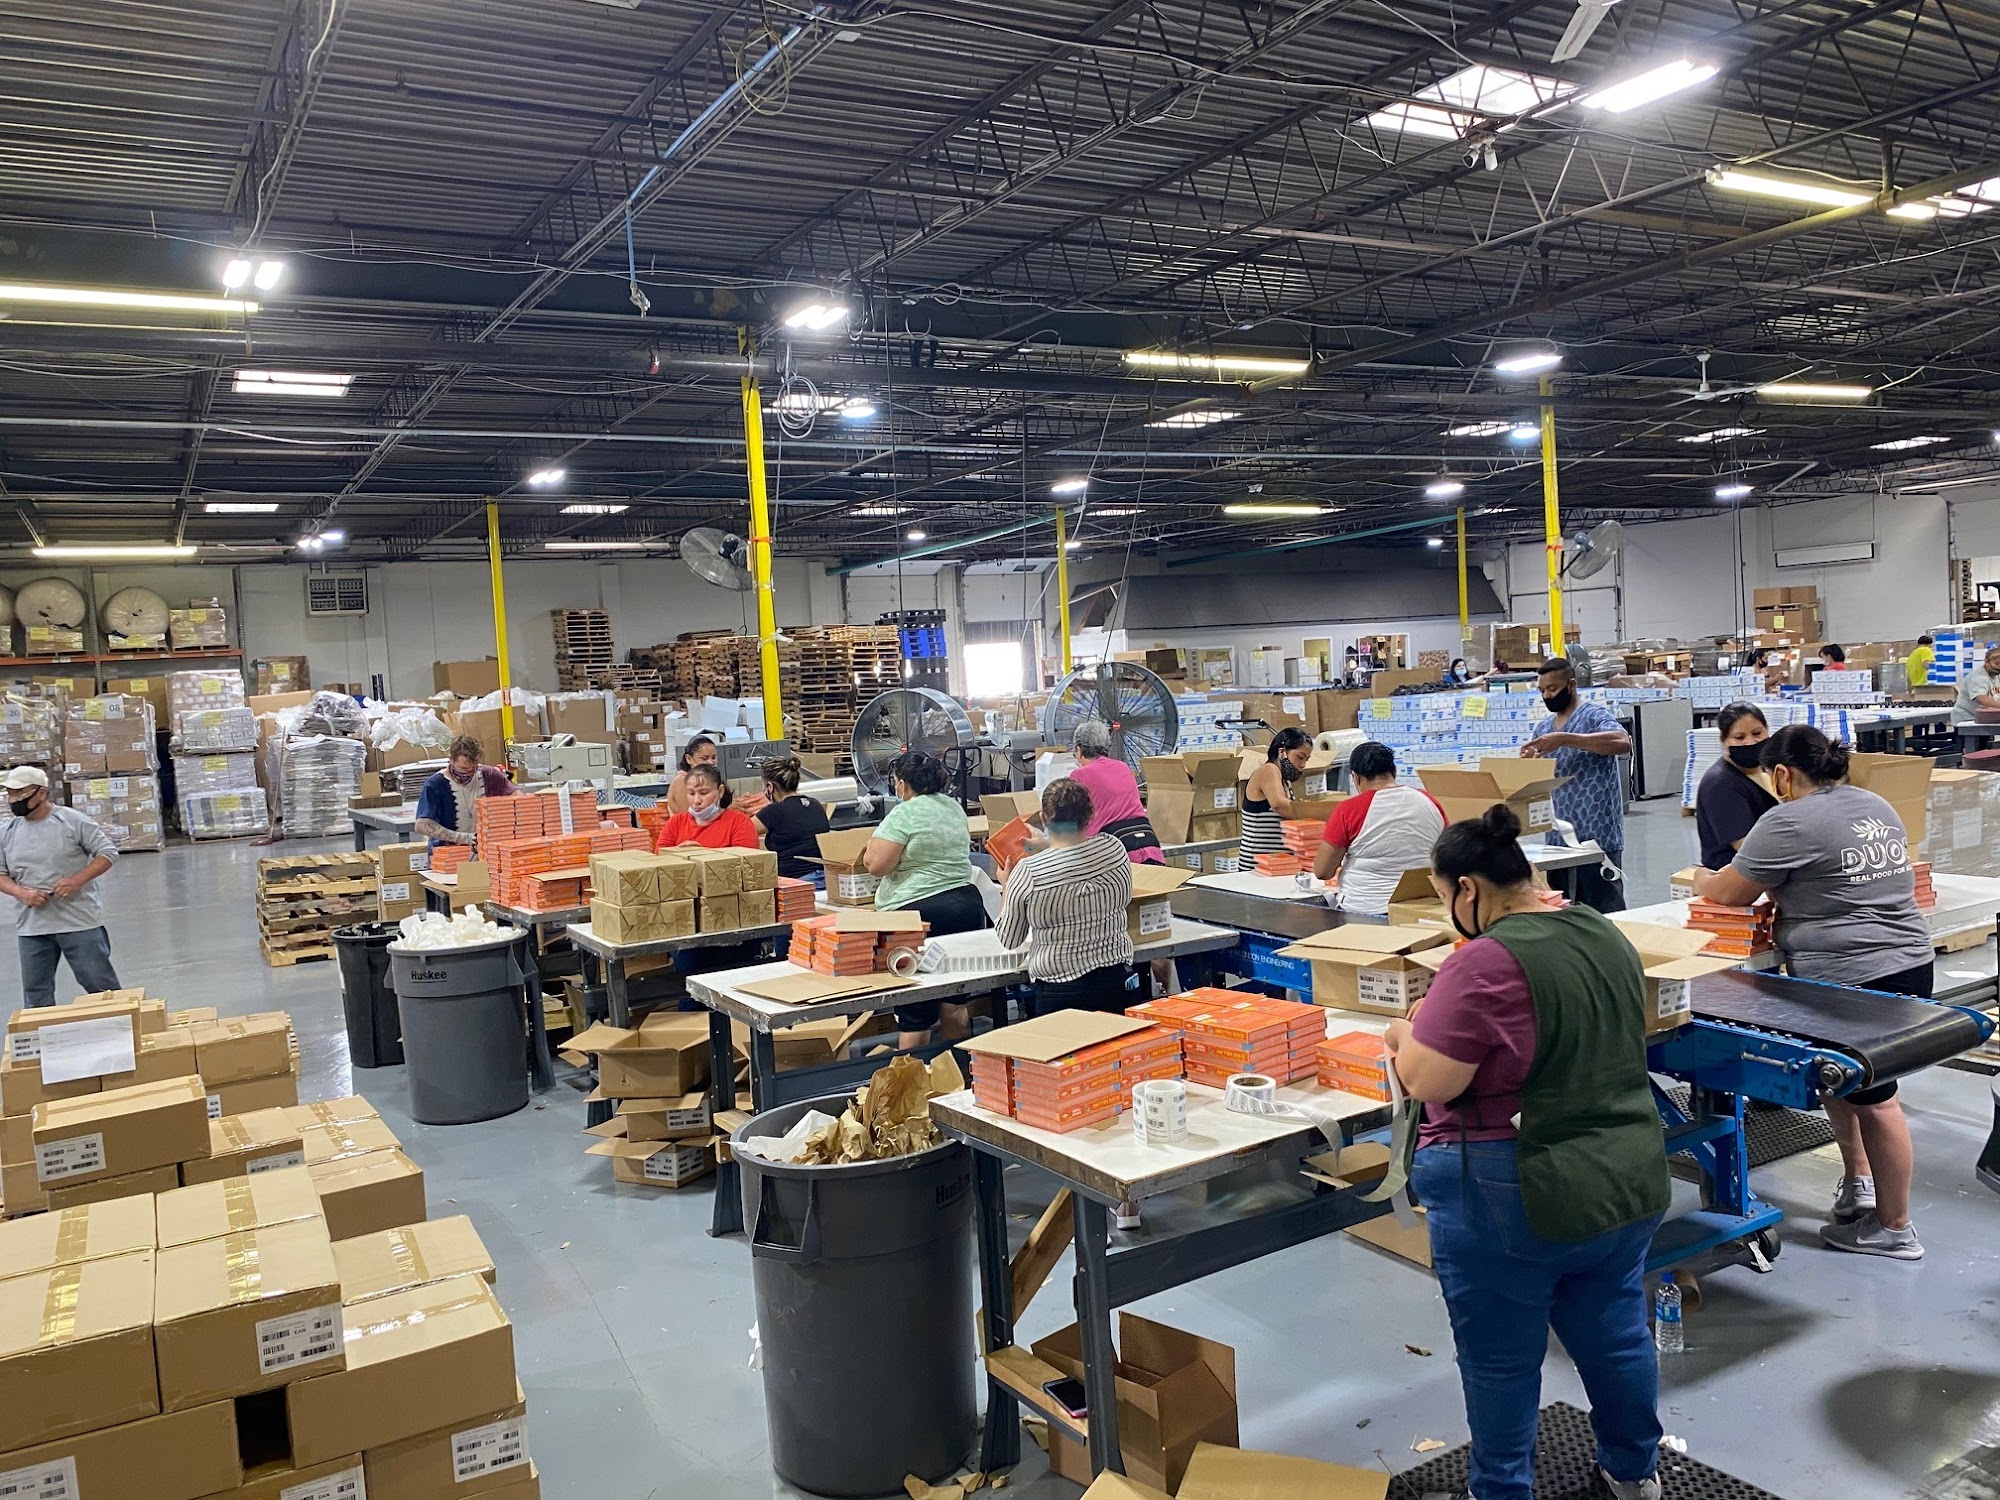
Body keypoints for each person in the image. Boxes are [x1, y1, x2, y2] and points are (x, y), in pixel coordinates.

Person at [1386, 804, 1668, 1500]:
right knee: (1617, 1336)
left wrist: (1402, 1035)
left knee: (1500, 1361)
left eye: (1442, 895)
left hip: (1513, 1189)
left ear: (1467, 889)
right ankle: (1634, 1472)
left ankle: (1501, 1490)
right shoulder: (1599, 929)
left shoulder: (1483, 962)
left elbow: (1428, 1080)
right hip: (1623, 1172)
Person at [1691, 726, 1934, 1260]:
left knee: (1878, 1099)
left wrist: (1698, 878)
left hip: (1856, 976)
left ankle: (1895, 1228)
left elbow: (1731, 892)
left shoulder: (1787, 820)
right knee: (1842, 1081)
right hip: (1910, 962)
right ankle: (1860, 1181)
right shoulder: (1874, 805)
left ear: (1781, 774)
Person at [863, 752, 987, 1048]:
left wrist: (869, 848)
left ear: (902, 784)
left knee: (916, 1011)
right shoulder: (953, 807)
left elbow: (876, 865)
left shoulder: (904, 813)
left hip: (918, 913)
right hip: (964, 905)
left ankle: (909, 1074)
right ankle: (961, 1068)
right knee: (954, 1000)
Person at [996, 778, 1136, 1016]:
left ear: (1043, 819)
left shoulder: (1029, 872)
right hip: (1116, 982)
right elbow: (1077, 861)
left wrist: (1007, 885)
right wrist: (1047, 847)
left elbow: (1009, 938)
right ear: (1090, 815)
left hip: (1060, 992)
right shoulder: (1114, 849)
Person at [0, 767, 122, 1009]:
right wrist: (22, 893)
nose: (13, 799)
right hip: (32, 927)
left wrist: (77, 880)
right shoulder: (7, 832)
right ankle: (41, 1032)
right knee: (36, 993)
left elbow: (107, 853)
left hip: (78, 922)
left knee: (100, 985)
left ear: (41, 793)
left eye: (19, 793)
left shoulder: (72, 822)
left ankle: (121, 1025)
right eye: (10, 793)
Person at [1522, 658, 1631, 913]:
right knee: (1564, 914)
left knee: (1605, 913)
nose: (1547, 696)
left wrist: (1565, 739)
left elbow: (1622, 741)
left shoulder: (1593, 716)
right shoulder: (1543, 729)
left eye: (1552, 689)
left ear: (1571, 685)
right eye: (1542, 691)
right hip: (1558, 842)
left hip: (1597, 839)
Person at [1313, 741, 1446, 915]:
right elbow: (1448, 852)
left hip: (1365, 908)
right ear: (1394, 772)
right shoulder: (1429, 801)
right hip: (1422, 907)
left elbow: (1323, 871)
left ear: (1356, 778)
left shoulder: (1349, 810)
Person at [1694, 703, 1777, 871]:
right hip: (1737, 873)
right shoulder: (1720, 784)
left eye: (1757, 733)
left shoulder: (1767, 770)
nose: (1750, 742)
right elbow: (1746, 847)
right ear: (1724, 741)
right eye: (1739, 737)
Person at [1068, 722, 1162, 864]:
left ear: (1079, 750)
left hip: (1114, 852)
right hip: (1149, 844)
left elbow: (1070, 817)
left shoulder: (1079, 775)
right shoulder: (1123, 767)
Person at [413, 735, 515, 848]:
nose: (468, 773)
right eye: (464, 769)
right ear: (451, 760)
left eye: (473, 768)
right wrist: (462, 838)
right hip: (448, 852)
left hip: (485, 849)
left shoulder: (490, 775)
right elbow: (421, 825)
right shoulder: (435, 784)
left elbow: (518, 798)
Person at [1239, 727, 1314, 864]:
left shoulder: (1285, 782)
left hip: (1279, 863)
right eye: (1300, 757)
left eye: (1306, 760)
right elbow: (1280, 805)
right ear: (1282, 752)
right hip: (1257, 866)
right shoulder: (1268, 770)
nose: (1303, 765)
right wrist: (1323, 812)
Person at [753, 756, 830, 883]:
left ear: (770, 786)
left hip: (795, 882)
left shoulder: (774, 811)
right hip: (825, 878)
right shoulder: (815, 805)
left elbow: (742, 831)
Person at [654, 764, 760, 852]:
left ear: (720, 791)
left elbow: (746, 863)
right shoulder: (676, 823)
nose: (697, 800)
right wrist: (678, 854)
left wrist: (704, 855)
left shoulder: (739, 822)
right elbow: (660, 859)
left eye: (704, 793)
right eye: (691, 793)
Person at [667, 735, 718, 815]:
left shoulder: (709, 779)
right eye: (704, 758)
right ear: (689, 759)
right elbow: (688, 816)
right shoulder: (682, 781)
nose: (711, 762)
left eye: (713, 757)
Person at [1955, 645, 2000, 723]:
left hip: (1985, 718)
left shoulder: (1997, 675)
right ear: (1986, 661)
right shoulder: (1977, 677)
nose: (1998, 667)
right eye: (1996, 664)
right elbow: (1981, 699)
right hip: (1966, 719)